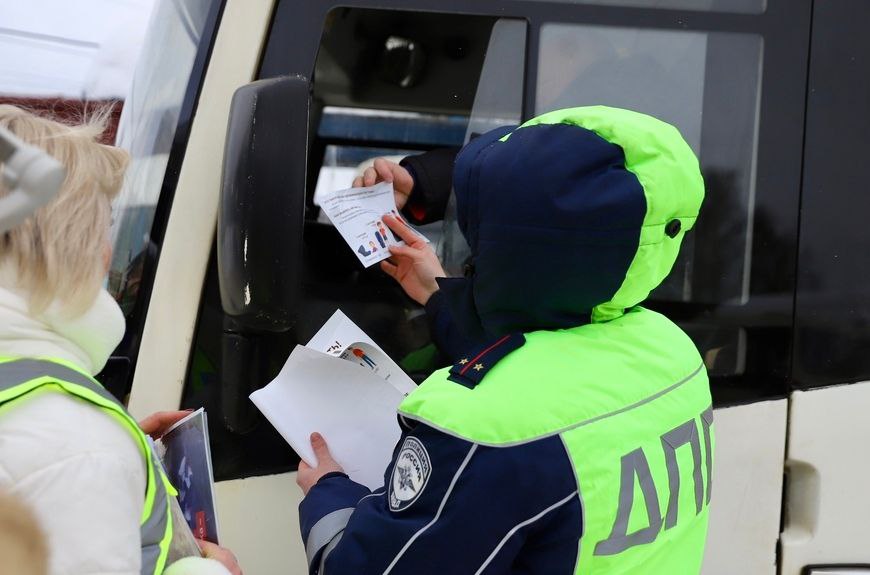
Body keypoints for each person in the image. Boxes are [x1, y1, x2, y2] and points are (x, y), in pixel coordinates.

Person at [297, 106, 713, 573]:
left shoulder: (479, 427)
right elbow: (549, 364)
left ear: (517, 252)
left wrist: (329, 491)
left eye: (482, 236)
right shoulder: (673, 352)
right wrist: (438, 293)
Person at [0, 105, 241, 575]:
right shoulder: (76, 448)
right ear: (69, 244)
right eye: (102, 226)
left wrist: (128, 455)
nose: (111, 252)